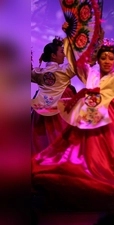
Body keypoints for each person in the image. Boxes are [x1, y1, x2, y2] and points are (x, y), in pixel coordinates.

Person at [31, 24, 114, 225]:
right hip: (89, 124)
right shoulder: (90, 74)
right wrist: (69, 37)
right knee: (84, 165)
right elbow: (75, 60)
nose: (106, 61)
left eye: (110, 58)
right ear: (98, 59)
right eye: (103, 57)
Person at [31, 22, 78, 155]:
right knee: (62, 145)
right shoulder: (64, 71)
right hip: (61, 111)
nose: (64, 55)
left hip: (41, 112)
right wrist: (69, 37)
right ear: (53, 55)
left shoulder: (38, 73)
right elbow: (76, 62)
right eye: (62, 52)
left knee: (41, 142)